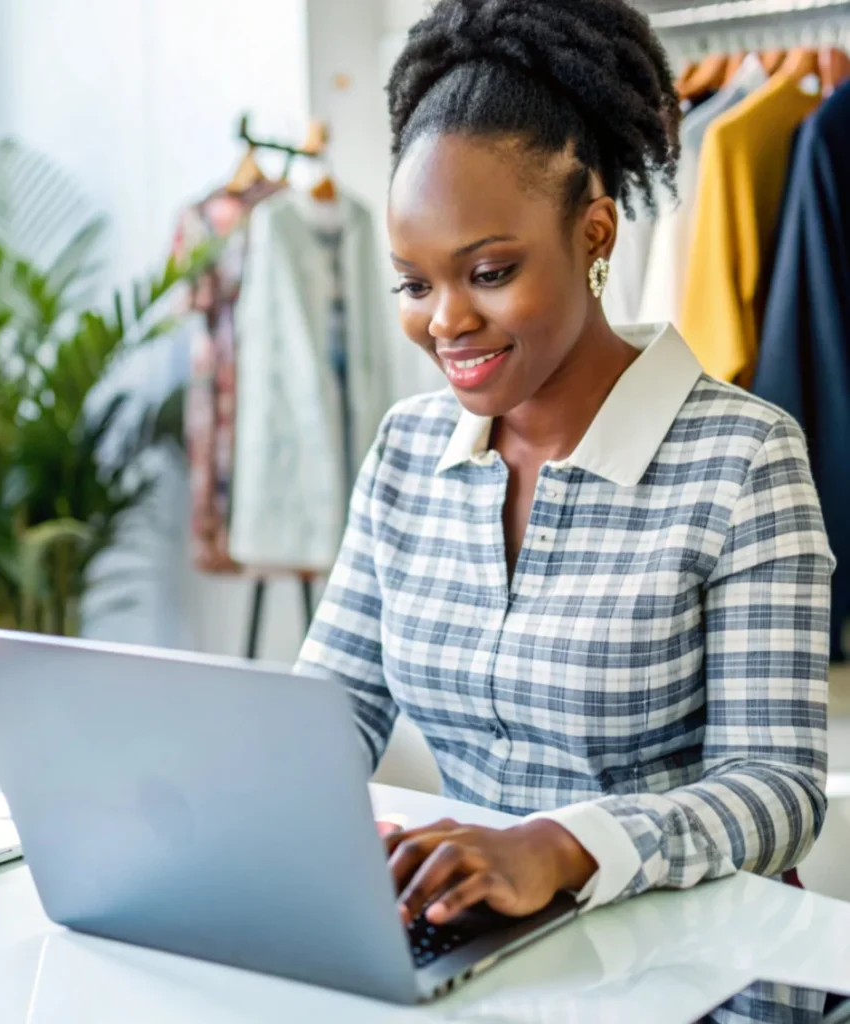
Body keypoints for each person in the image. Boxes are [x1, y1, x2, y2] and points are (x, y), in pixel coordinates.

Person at [297, 1, 834, 1020]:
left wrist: (556, 845)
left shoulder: (742, 457)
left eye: (488, 272)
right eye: (413, 283)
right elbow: (331, 711)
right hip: (471, 958)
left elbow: (777, 793)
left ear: (593, 232)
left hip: (694, 975)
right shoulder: (407, 451)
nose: (445, 320)